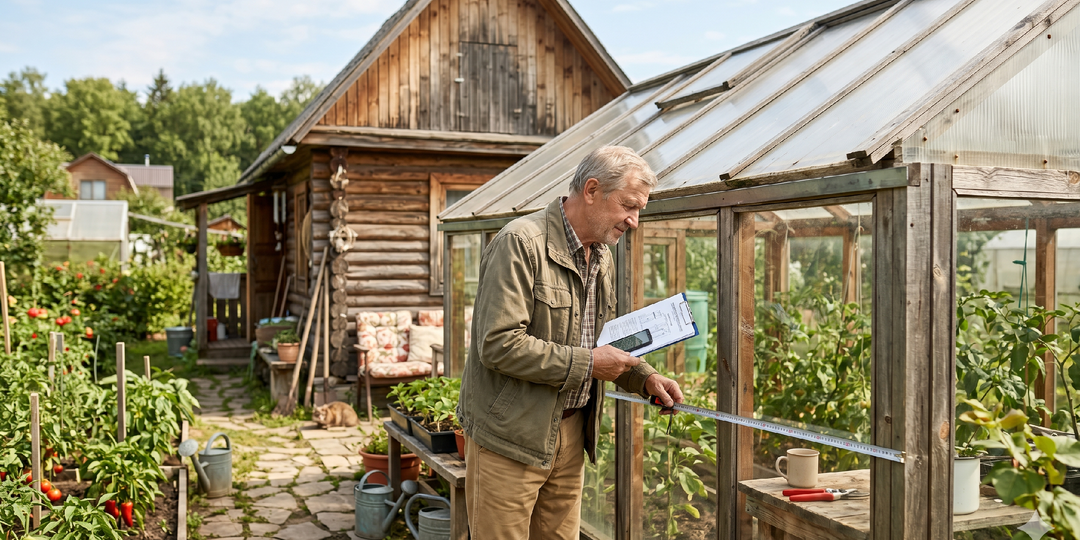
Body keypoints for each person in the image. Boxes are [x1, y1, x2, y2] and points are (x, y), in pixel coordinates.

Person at [457, 145, 685, 539]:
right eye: (629, 206)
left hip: (572, 434)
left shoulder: (601, 255)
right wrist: (589, 365)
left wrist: (643, 377)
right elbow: (497, 344)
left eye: (639, 211)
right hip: (510, 438)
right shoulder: (521, 243)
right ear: (592, 190)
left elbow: (601, 336)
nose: (634, 221)